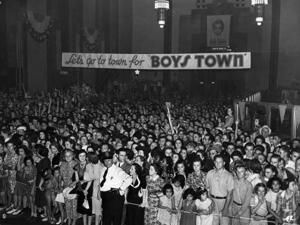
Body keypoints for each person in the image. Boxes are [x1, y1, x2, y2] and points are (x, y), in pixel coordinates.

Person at [99, 151, 132, 225]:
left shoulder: (118, 170)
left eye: (109, 160)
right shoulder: (103, 170)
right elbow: (102, 184)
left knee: (116, 219)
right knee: (106, 219)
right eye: (105, 160)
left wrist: (121, 189)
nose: (107, 162)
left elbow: (129, 179)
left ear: (112, 160)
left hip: (115, 197)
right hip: (105, 197)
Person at [205, 154, 234, 225]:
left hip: (223, 202)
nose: (218, 164)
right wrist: (209, 202)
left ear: (224, 163)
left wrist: (225, 208)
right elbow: (207, 189)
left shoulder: (229, 175)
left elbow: (230, 194)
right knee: (213, 222)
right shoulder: (209, 173)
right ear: (214, 162)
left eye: (220, 162)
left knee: (224, 222)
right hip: (213, 201)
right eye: (216, 162)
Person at [84, 152, 105, 225]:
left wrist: (99, 192)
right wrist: (86, 189)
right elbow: (89, 179)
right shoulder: (88, 166)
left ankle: (98, 223)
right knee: (94, 209)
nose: (86, 158)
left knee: (98, 209)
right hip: (92, 188)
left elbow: (102, 181)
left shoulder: (101, 166)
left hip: (99, 188)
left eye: (87, 157)